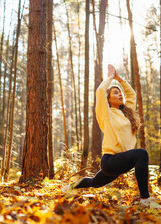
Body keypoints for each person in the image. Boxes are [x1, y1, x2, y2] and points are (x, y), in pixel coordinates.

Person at [63, 64, 154, 205]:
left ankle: (70, 187)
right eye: (115, 93)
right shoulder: (106, 113)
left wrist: (119, 78)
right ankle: (145, 198)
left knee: (94, 182)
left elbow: (132, 94)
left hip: (121, 161)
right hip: (110, 161)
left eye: (120, 93)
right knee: (142, 154)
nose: (120, 95)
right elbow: (100, 91)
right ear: (109, 99)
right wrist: (110, 78)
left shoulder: (127, 113)